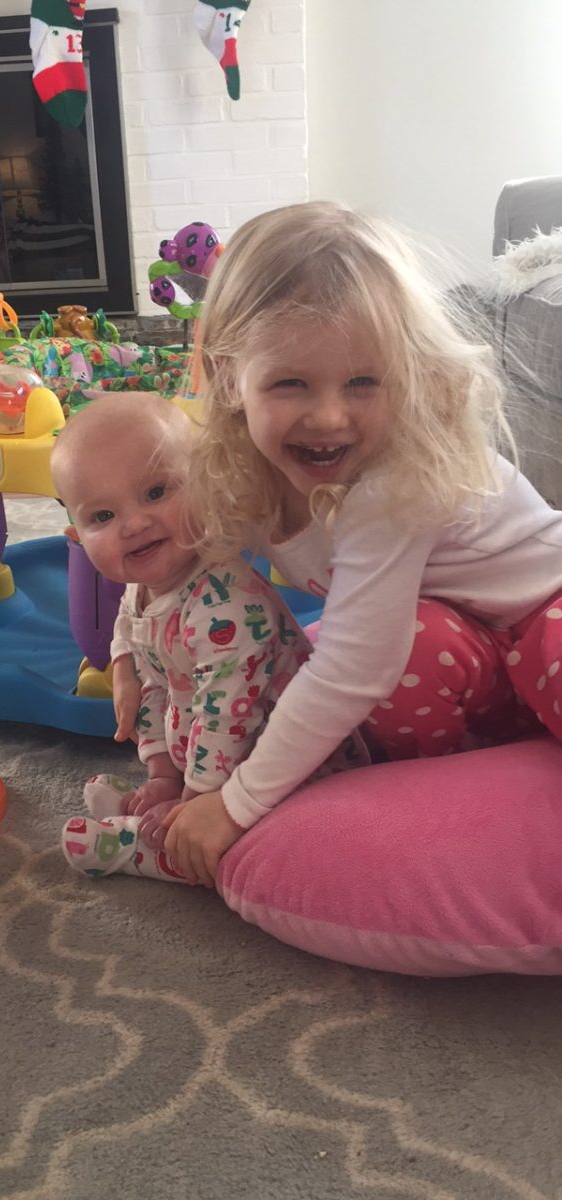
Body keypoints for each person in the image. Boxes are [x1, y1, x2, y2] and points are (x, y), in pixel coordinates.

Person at [143, 200, 562, 887]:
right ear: (227, 377)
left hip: (544, 613)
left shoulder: (390, 484)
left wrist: (236, 804)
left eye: (363, 382)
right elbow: (176, 577)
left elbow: (351, 668)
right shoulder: (234, 471)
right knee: (408, 648)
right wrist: (128, 655)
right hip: (476, 655)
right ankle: (468, 779)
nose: (329, 416)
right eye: (290, 383)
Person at [51, 391, 367, 884]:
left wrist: (197, 807)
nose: (134, 524)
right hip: (209, 755)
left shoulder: (225, 606)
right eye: (103, 517)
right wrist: (161, 770)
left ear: (207, 485)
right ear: (76, 537)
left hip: (287, 777)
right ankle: (162, 792)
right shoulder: (146, 585)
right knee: (154, 691)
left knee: (245, 847)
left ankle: (143, 850)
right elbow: (132, 635)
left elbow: (227, 720)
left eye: (156, 492)